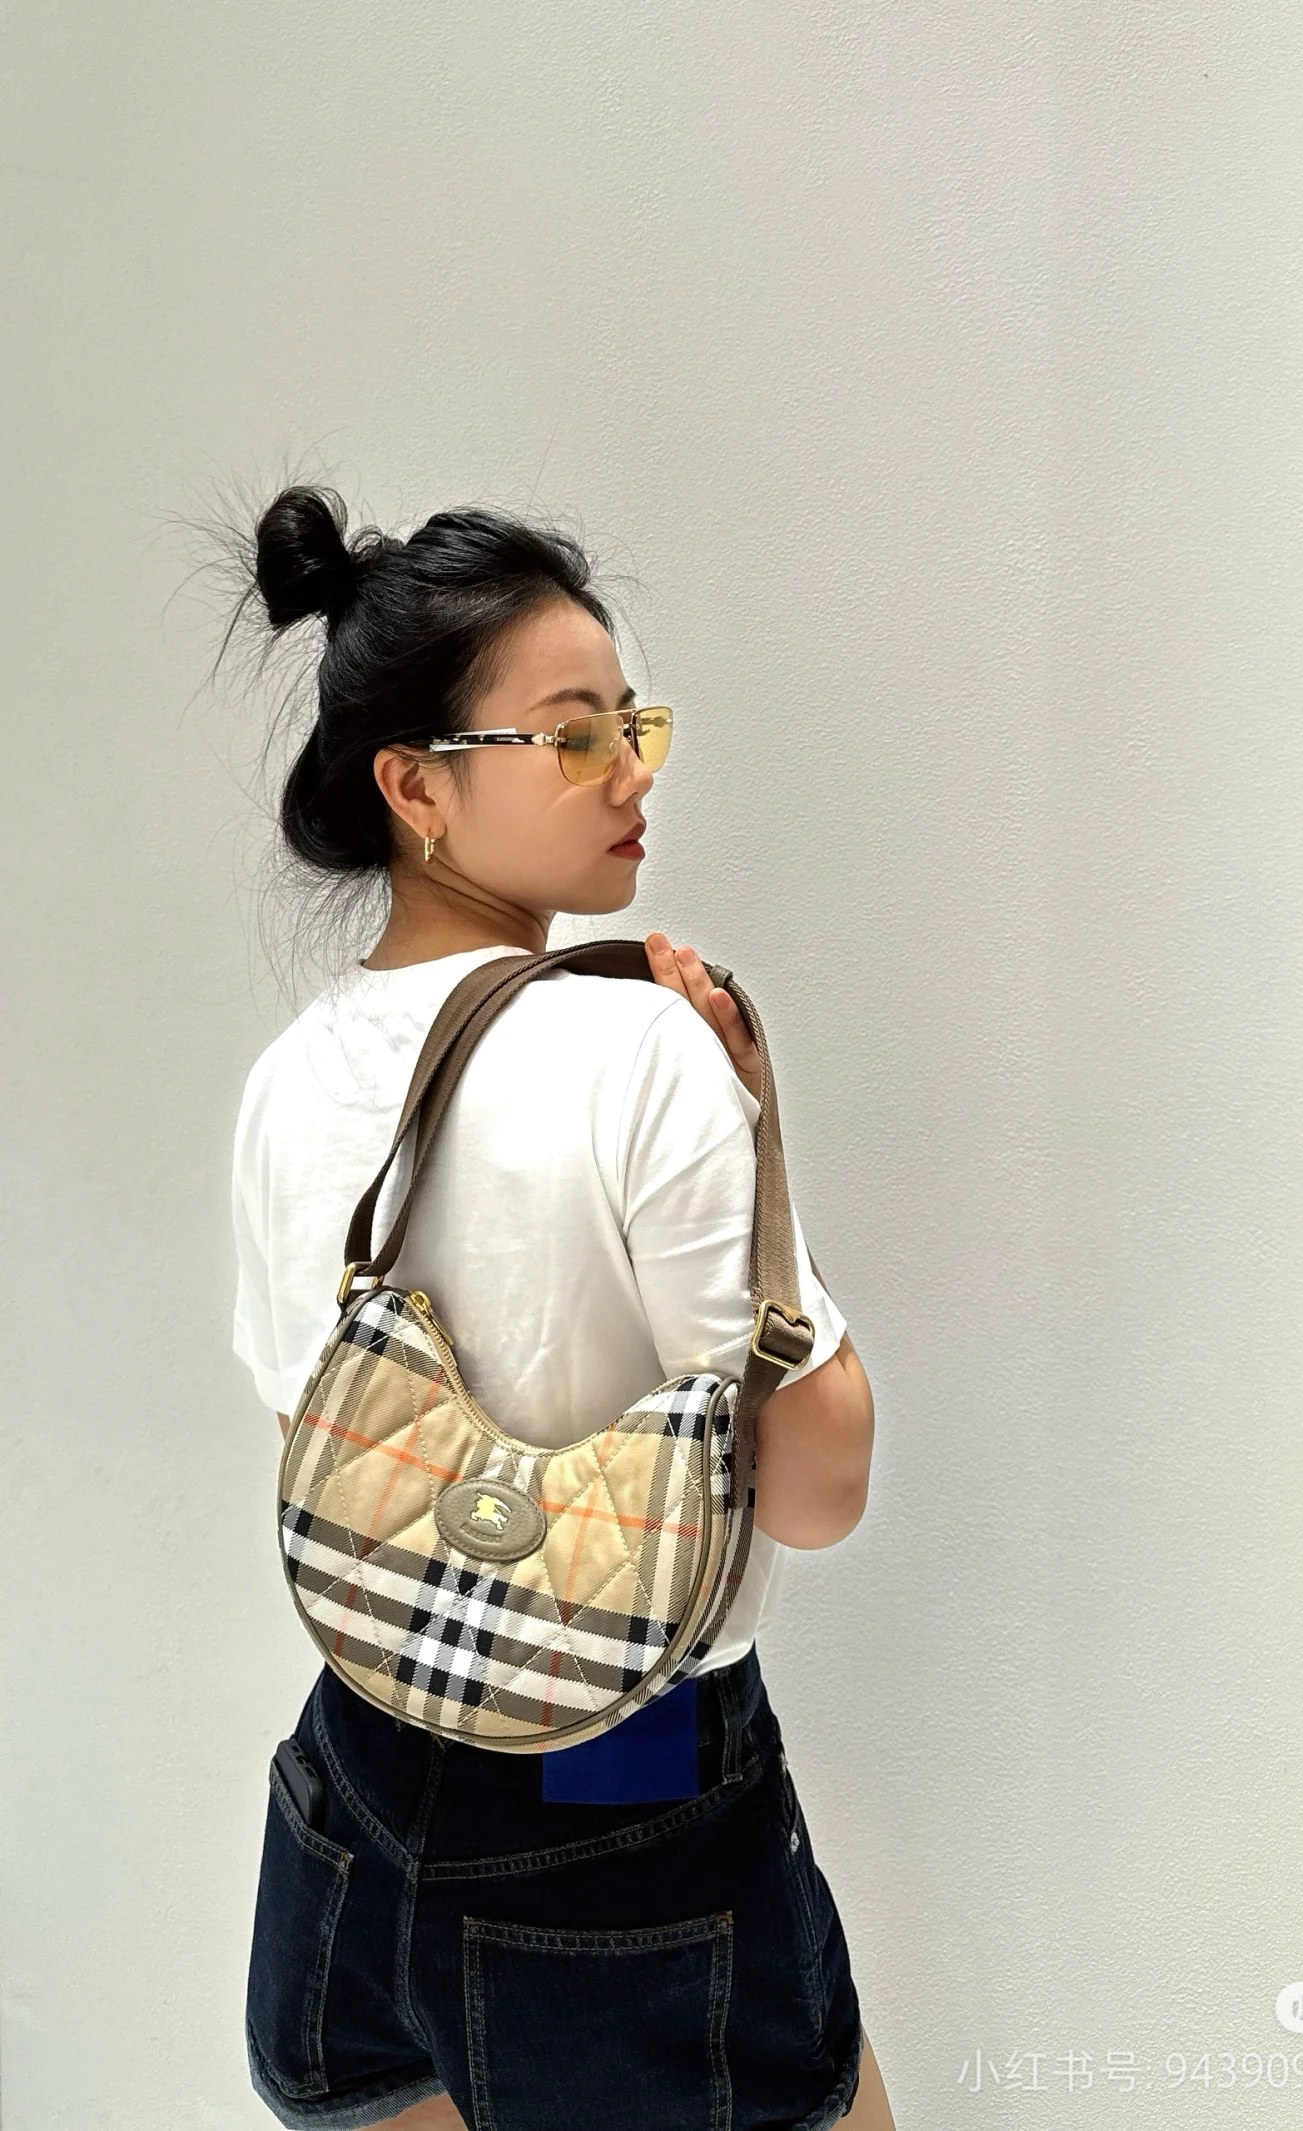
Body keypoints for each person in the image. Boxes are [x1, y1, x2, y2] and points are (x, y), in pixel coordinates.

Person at [226, 483, 895, 2130]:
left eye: (632, 726)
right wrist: (756, 1141)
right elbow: (816, 1493)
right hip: (623, 1807)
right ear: (415, 788)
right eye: (573, 735)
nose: (633, 773)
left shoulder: (289, 1077)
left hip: (354, 1790)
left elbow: (317, 1430)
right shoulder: (645, 1044)